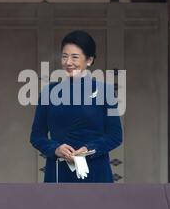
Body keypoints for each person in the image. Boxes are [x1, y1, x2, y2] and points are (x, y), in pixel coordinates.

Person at [30, 30, 123, 182]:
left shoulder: (105, 91)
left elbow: (115, 136)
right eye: (64, 56)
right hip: (59, 173)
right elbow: (36, 136)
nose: (68, 62)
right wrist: (56, 149)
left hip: (95, 172)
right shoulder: (49, 91)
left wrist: (89, 149)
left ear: (89, 60)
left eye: (74, 57)